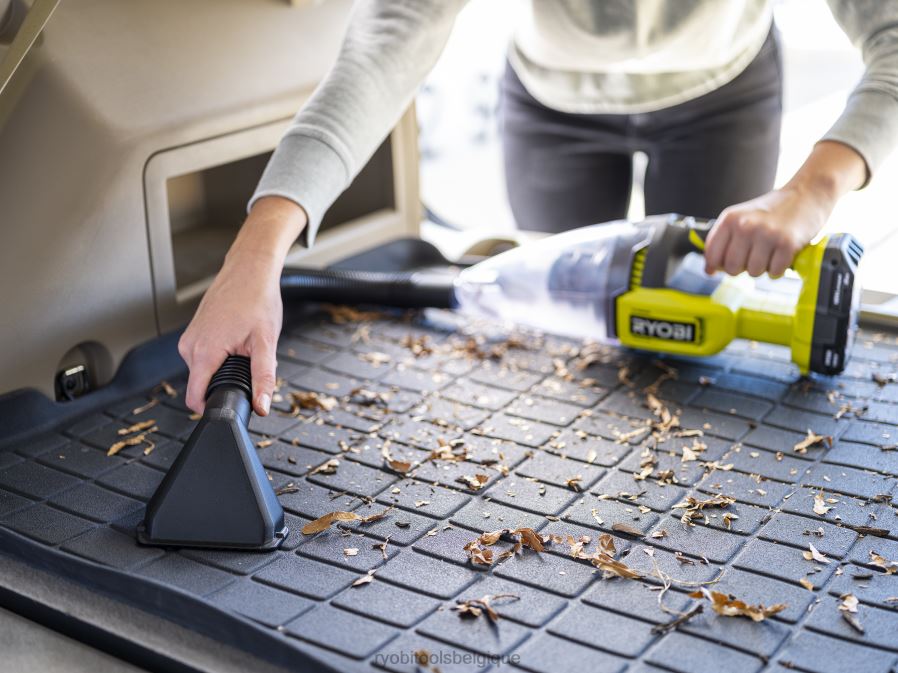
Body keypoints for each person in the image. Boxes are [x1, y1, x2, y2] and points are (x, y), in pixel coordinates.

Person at [179, 0, 898, 416]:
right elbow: (381, 49)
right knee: (583, 350)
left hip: (725, 89)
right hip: (553, 101)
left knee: (691, 346)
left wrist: (811, 191)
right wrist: (258, 250)